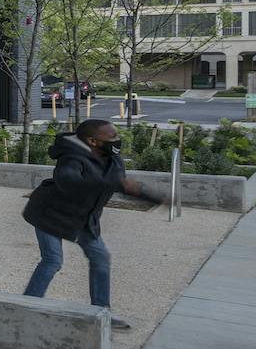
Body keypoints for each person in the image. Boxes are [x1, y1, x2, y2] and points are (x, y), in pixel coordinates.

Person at [23, 117, 158, 328]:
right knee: (52, 261)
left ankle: (101, 313)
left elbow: (123, 185)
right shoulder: (70, 158)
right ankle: (25, 308)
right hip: (49, 213)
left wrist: (156, 197)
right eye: (112, 136)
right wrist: (111, 183)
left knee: (100, 258)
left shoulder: (113, 160)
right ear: (92, 141)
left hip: (83, 218)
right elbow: (69, 181)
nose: (118, 139)